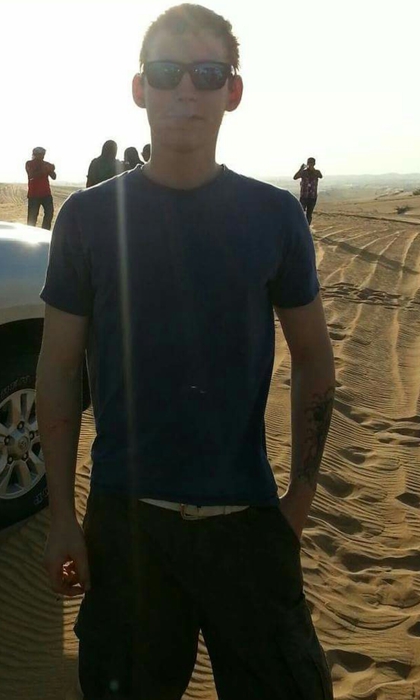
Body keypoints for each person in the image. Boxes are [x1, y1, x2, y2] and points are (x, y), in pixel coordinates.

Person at [38, 4, 336, 699]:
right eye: (166, 71)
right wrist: (60, 516)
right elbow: (57, 370)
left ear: (233, 90)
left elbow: (314, 358)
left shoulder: (274, 216)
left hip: (248, 522)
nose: (185, 91)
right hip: (125, 528)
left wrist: (299, 499)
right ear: (139, 87)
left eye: (207, 74)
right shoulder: (87, 219)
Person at [25, 146, 56, 229]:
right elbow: (31, 175)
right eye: (40, 154)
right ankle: (30, 233)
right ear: (35, 154)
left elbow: (54, 177)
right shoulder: (29, 163)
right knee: (32, 218)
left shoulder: (46, 164)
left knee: (49, 213)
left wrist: (51, 170)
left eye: (43, 154)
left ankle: (45, 230)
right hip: (34, 195)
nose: (42, 156)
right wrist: (46, 169)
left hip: (46, 194)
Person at [293, 157, 323, 225]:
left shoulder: (317, 172)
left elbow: (320, 176)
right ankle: (300, 226)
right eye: (309, 162)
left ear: (314, 163)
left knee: (309, 214)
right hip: (304, 196)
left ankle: (307, 228)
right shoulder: (303, 172)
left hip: (312, 197)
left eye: (311, 163)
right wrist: (301, 169)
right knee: (300, 212)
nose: (310, 164)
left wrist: (312, 170)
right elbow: (295, 177)